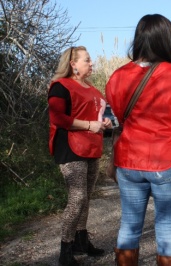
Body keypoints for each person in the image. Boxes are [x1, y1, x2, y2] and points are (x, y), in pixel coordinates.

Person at [105, 14, 171, 266]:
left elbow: (115, 118)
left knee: (129, 224)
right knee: (167, 227)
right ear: (166, 40)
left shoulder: (117, 76)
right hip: (168, 159)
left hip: (128, 161)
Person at [48, 46, 112, 265]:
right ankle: (65, 251)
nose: (91, 63)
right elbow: (57, 117)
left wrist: (106, 123)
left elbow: (100, 117)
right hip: (69, 147)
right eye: (87, 60)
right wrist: (88, 125)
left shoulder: (94, 90)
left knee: (86, 197)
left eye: (91, 60)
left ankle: (81, 242)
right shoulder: (61, 87)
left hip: (92, 147)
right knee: (77, 198)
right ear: (73, 64)